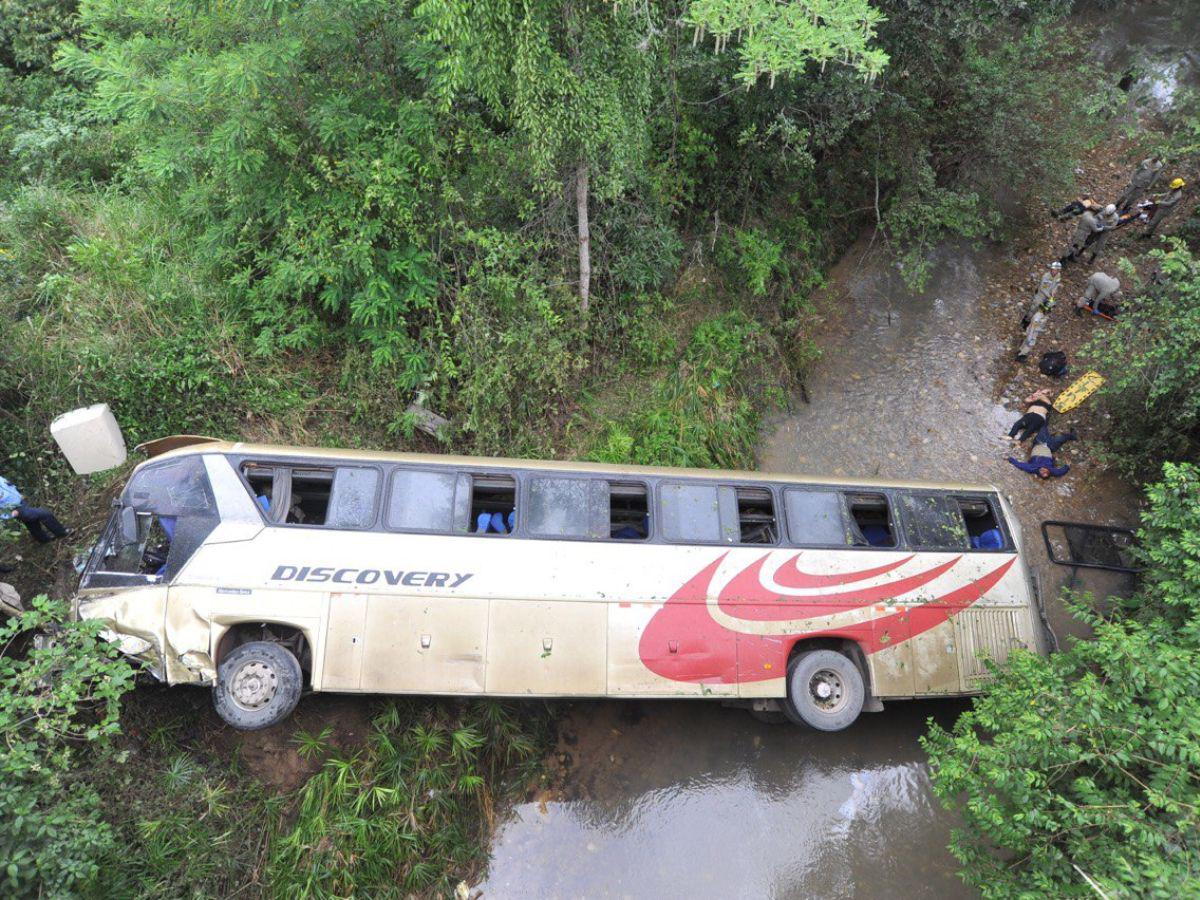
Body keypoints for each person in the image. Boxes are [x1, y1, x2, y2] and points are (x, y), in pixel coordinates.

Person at [0, 475, 70, 544]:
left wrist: (19, 495)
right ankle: (61, 532)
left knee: (31, 523)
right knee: (45, 514)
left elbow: (9, 486)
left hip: (21, 502)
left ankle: (44, 540)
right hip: (15, 510)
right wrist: (10, 515)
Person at [1008, 425, 1078, 479]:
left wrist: (1009, 459)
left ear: (1039, 473)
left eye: (1042, 472)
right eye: (1046, 472)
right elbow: (1060, 472)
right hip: (1050, 447)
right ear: (1049, 472)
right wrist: (1067, 466)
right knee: (1060, 439)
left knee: (1043, 428)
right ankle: (1072, 436)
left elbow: (1020, 465)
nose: (1044, 470)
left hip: (1039, 442)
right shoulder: (1052, 471)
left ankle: (1046, 421)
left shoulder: (1033, 468)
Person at [1021, 262, 1062, 329]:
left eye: (1057, 270)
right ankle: (1025, 321)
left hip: (1049, 296)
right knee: (1034, 308)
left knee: (1041, 311)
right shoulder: (1046, 276)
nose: (1055, 271)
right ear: (1051, 269)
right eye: (1054, 269)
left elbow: (1056, 285)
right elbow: (1042, 288)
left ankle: (1032, 323)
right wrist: (1049, 296)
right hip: (1041, 295)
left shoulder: (1058, 276)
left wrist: (1053, 292)